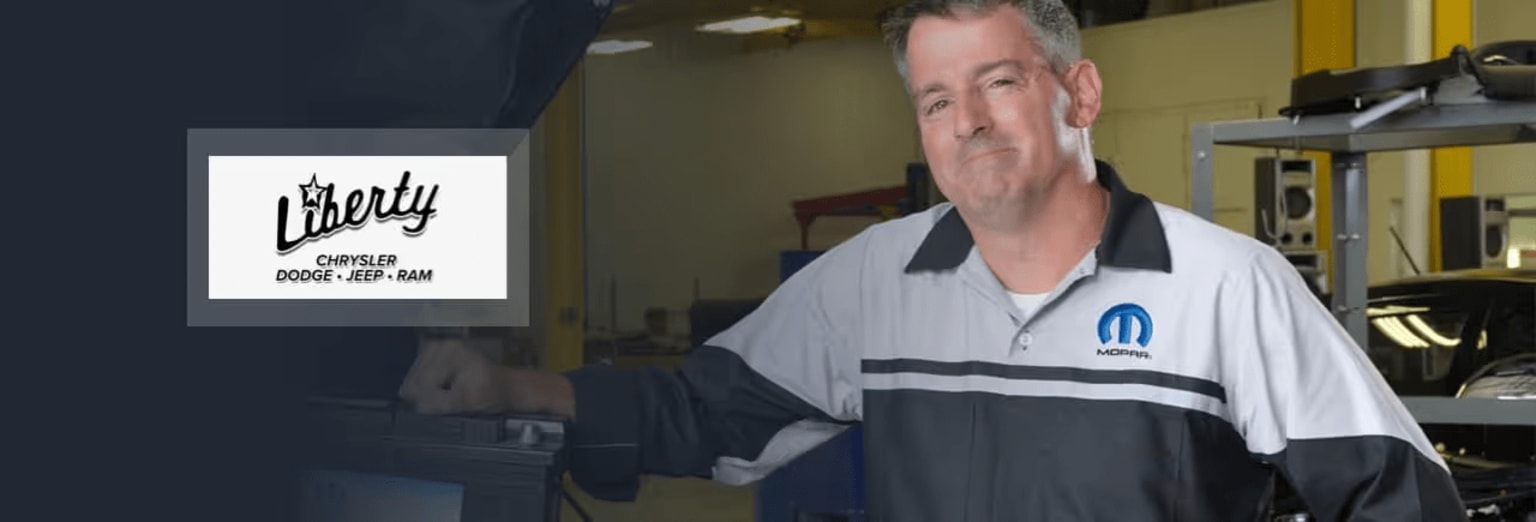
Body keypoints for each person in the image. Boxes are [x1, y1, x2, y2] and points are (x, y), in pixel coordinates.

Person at [398, 0, 1467, 519]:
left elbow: (1401, 497)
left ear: (1078, 94)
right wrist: (512, 386)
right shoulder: (875, 283)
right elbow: (708, 412)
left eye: (1000, 82)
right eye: (937, 98)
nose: (968, 122)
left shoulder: (1226, 286)